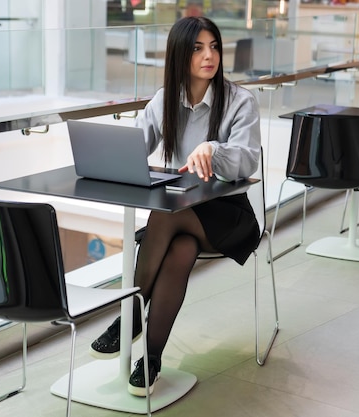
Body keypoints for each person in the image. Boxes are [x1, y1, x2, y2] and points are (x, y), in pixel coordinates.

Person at [90, 16, 262, 397]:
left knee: (168, 214)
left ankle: (130, 315)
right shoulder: (165, 99)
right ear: (180, 54)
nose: (209, 56)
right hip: (181, 221)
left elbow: (248, 161)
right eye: (198, 48)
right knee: (179, 248)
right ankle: (151, 357)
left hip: (230, 215)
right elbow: (134, 147)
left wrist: (214, 150)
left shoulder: (240, 101)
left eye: (214, 46)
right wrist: (106, 155)